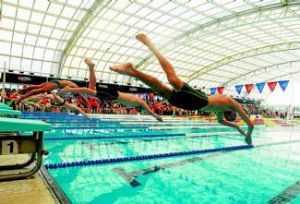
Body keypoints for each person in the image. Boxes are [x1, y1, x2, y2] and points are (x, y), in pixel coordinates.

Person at [109, 34, 254, 145]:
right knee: (171, 81)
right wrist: (245, 134)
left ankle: (132, 71)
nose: (228, 116)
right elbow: (248, 124)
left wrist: (240, 129)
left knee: (161, 89)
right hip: (198, 101)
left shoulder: (221, 111)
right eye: (230, 116)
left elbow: (228, 123)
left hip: (194, 104)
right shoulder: (231, 103)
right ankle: (149, 46)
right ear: (232, 113)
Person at [58, 59, 163, 122]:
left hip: (114, 95)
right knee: (88, 90)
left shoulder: (136, 101)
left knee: (91, 87)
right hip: (113, 96)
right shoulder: (141, 102)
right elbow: (149, 110)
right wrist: (156, 116)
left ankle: (91, 67)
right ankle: (70, 89)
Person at [13, 80, 79, 103]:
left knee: (37, 86)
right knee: (37, 91)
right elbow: (67, 88)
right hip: (55, 85)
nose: (72, 93)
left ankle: (20, 90)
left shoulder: (73, 85)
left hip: (54, 82)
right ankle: (23, 97)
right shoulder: (76, 88)